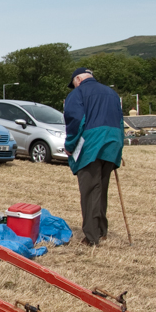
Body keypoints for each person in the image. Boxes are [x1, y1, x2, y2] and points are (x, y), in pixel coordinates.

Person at [63, 67, 124, 246]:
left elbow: (76, 120)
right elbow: (120, 120)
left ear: (79, 79)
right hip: (113, 141)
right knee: (101, 188)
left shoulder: (77, 93)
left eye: (73, 83)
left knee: (90, 190)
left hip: (92, 142)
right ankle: (101, 230)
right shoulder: (112, 93)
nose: (74, 86)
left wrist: (69, 145)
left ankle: (91, 237)